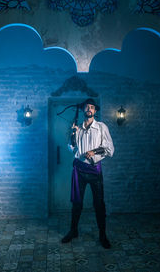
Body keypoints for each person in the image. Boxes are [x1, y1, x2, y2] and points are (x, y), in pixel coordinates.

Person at [61, 98, 114, 248]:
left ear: (95, 111)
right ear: (84, 110)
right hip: (79, 170)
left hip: (94, 170)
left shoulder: (102, 127)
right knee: (77, 203)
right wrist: (72, 135)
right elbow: (72, 149)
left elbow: (110, 149)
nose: (89, 109)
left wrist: (94, 151)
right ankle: (73, 231)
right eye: (86, 107)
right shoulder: (78, 128)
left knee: (99, 204)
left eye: (92, 107)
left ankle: (102, 235)